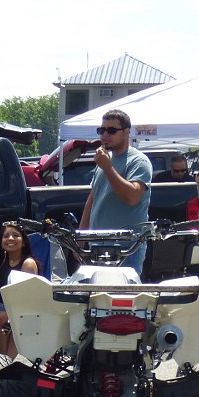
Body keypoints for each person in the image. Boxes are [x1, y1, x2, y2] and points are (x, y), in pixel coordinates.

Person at [79, 109, 152, 274]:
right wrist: (81, 239)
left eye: (111, 130)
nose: (105, 135)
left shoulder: (139, 161)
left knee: (122, 296)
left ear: (127, 132)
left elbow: (132, 197)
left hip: (126, 245)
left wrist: (108, 168)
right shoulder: (105, 161)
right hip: (97, 242)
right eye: (101, 130)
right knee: (98, 296)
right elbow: (92, 200)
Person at [0, 221, 39, 358]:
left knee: (2, 317)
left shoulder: (28, 263)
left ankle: (5, 359)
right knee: (1, 316)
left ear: (23, 242)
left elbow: (26, 297)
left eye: (15, 235)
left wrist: (12, 314)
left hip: (24, 309)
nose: (10, 239)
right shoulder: (3, 259)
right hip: (3, 308)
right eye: (6, 236)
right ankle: (5, 360)